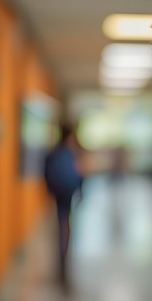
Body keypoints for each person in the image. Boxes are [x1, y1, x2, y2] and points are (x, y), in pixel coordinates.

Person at [43, 123, 86, 291]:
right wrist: (81, 191)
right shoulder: (73, 153)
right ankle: (63, 262)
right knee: (65, 224)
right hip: (68, 193)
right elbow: (80, 173)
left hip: (58, 193)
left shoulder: (53, 153)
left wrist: (50, 191)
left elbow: (46, 173)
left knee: (62, 222)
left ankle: (62, 262)